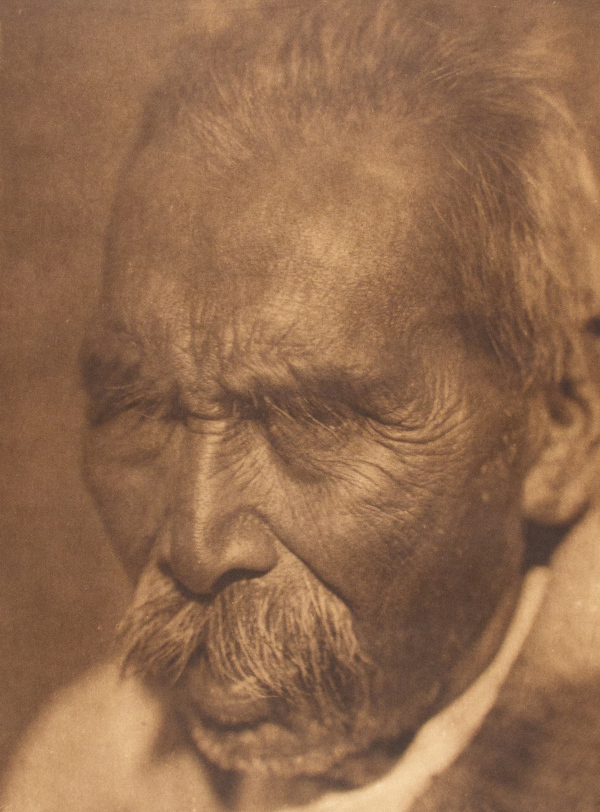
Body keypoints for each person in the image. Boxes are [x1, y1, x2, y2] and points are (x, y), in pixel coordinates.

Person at [3, 1, 600, 809]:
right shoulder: (79, 770)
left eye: (314, 420)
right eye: (142, 409)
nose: (197, 544)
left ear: (561, 427)